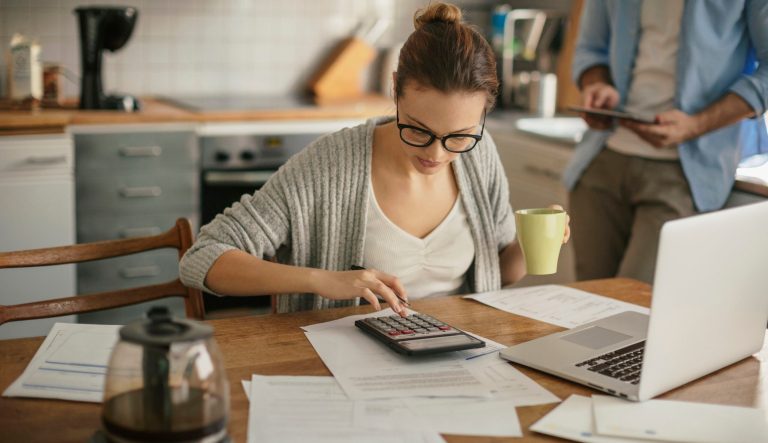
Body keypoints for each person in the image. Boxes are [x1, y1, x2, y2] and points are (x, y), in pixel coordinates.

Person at [180, 2, 570, 314]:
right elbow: (203, 259)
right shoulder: (332, 165)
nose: (437, 153)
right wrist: (322, 280)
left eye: (459, 136)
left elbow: (500, 271)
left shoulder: (479, 155)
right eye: (418, 129)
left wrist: (530, 243)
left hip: (460, 352)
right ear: (395, 89)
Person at [565, 0, 767, 283]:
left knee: (636, 313)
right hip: (601, 160)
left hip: (684, 174)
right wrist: (595, 85)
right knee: (584, 305)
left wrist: (695, 125)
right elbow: (590, 50)